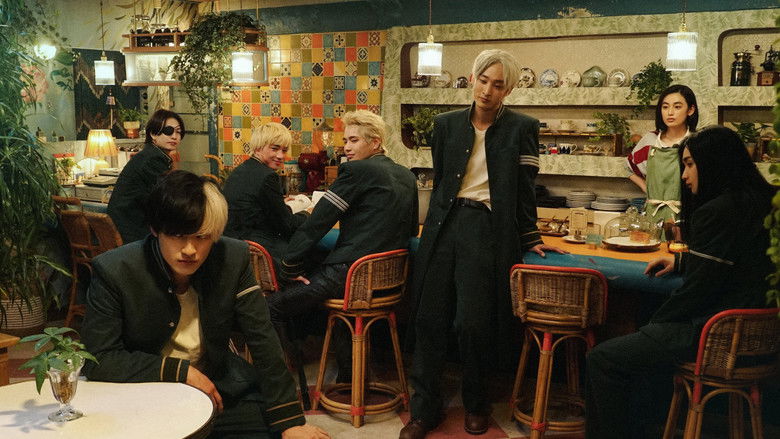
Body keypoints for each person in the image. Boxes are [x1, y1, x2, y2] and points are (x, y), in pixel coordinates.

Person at [82, 170, 329, 439]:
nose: (190, 249)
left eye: (201, 237)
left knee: (277, 429)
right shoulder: (115, 270)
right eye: (178, 235)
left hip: (215, 384)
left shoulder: (233, 258)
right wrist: (180, 372)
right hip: (143, 391)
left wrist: (289, 421)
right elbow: (99, 359)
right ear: (155, 230)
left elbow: (262, 337)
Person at [401, 49, 563, 439]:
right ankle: (424, 410)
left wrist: (531, 236)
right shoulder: (445, 125)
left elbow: (525, 189)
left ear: (508, 90)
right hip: (443, 225)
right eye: (483, 80)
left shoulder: (523, 128)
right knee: (428, 319)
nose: (488, 91)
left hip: (486, 226)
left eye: (498, 85)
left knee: (473, 323)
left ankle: (476, 403)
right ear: (473, 79)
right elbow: (442, 179)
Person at [586, 126, 775, 439]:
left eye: (689, 164)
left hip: (715, 334)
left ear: (713, 163)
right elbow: (741, 262)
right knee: (644, 336)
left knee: (603, 358)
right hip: (761, 335)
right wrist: (684, 261)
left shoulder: (717, 211)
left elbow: (698, 291)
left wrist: (654, 326)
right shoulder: (765, 201)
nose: (684, 176)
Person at [265, 110, 417, 374]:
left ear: (376, 142)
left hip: (348, 273)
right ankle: (348, 376)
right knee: (333, 299)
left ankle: (280, 379)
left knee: (270, 306)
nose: (346, 147)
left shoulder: (356, 170)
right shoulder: (407, 175)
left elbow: (318, 222)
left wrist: (289, 264)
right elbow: (412, 228)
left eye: (354, 140)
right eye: (346, 140)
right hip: (389, 279)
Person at [223, 122, 308, 266]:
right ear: (258, 147)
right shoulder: (268, 176)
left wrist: (283, 206)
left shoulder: (241, 169)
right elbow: (286, 225)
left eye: (284, 150)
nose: (280, 156)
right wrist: (307, 214)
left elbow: (256, 208)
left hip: (233, 247)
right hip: (258, 252)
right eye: (274, 149)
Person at [108, 109, 184, 243]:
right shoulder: (153, 159)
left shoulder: (151, 154)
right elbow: (166, 198)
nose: (174, 136)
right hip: (132, 232)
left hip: (126, 227)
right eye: (168, 131)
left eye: (178, 132)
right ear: (153, 134)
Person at [626, 84, 699, 223]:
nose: (670, 112)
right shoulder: (650, 140)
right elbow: (628, 168)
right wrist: (647, 189)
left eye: (677, 107)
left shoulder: (696, 142)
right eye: (665, 107)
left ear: (690, 110)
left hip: (686, 215)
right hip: (652, 216)